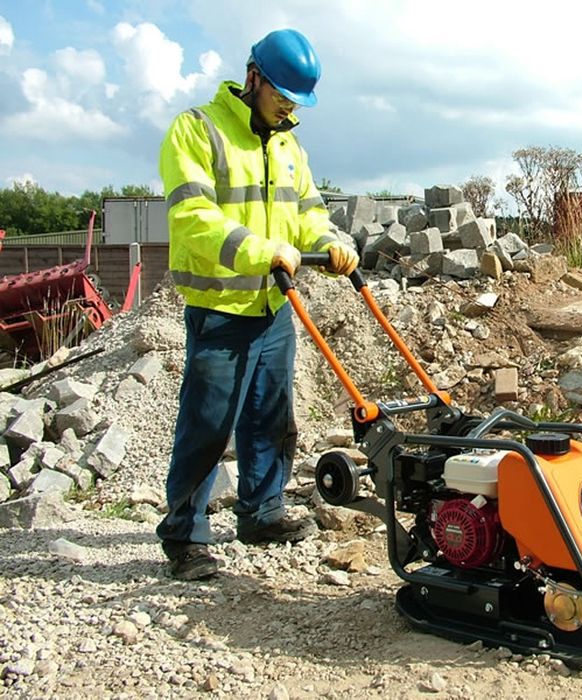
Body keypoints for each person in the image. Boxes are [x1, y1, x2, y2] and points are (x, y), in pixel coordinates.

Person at [156, 28, 359, 580]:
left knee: (272, 418)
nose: (289, 109)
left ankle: (262, 512)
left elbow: (309, 212)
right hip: (220, 308)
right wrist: (260, 250)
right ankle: (184, 535)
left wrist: (330, 243)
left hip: (273, 307)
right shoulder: (198, 130)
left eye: (297, 102)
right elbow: (192, 217)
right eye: (281, 97)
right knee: (208, 425)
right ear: (253, 78)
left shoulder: (290, 146)